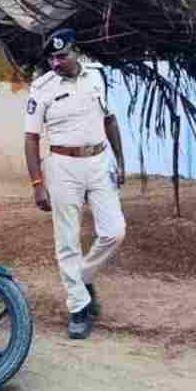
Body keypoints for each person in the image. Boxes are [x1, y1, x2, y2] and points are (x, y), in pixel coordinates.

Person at [24, 28, 126, 340]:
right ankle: (78, 307)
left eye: (61, 55)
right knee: (67, 240)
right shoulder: (41, 87)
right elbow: (30, 138)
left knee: (114, 231)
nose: (55, 62)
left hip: (98, 161)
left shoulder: (97, 76)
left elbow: (110, 120)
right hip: (62, 166)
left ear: (76, 51)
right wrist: (37, 183)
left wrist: (121, 161)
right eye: (52, 57)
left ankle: (81, 278)